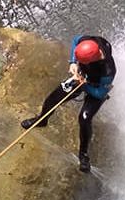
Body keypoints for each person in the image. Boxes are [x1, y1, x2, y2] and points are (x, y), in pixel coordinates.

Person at [21, 35, 116, 173]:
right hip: (81, 77)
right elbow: (76, 40)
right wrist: (72, 62)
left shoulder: (108, 70)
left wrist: (83, 85)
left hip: (96, 86)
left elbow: (100, 93)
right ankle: (42, 119)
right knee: (52, 99)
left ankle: (83, 155)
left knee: (84, 118)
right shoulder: (89, 42)